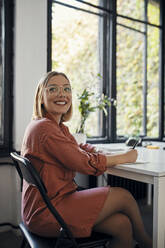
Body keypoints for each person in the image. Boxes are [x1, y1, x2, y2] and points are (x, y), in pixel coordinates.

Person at [21, 71, 152, 248]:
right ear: (41, 97)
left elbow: (78, 148)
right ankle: (146, 241)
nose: (62, 94)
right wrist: (125, 157)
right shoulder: (45, 129)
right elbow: (84, 163)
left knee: (122, 225)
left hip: (49, 205)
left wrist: (97, 150)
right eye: (53, 89)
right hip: (48, 211)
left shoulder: (55, 126)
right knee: (124, 196)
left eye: (66, 89)